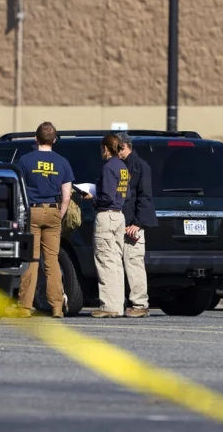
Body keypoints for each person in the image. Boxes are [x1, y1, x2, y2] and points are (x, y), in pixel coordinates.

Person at [6, 122, 74, 319]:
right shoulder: (62, 162)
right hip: (53, 211)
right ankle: (57, 307)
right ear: (54, 140)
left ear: (36, 139)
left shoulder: (25, 161)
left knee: (32, 259)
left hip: (32, 212)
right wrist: (59, 215)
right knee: (52, 261)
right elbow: (67, 195)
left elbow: (17, 190)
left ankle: (25, 306)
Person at [87, 134, 130, 318]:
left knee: (105, 261)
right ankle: (117, 305)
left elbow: (106, 197)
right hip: (119, 216)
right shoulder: (123, 167)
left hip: (106, 216)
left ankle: (108, 306)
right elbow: (124, 195)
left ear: (106, 148)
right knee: (116, 262)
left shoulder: (108, 168)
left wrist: (91, 198)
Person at [117, 133, 158, 318]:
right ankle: (118, 304)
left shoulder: (140, 166)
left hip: (133, 225)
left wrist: (137, 224)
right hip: (119, 223)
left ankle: (140, 304)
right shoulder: (117, 166)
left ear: (124, 146)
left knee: (134, 264)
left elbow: (144, 197)